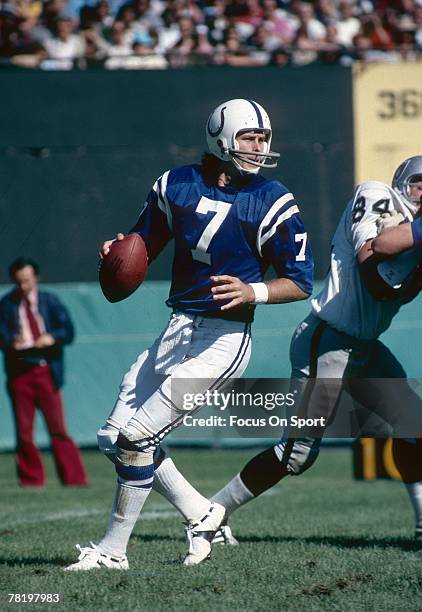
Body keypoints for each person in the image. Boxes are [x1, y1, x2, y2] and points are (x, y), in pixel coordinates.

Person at [64, 98, 313, 571]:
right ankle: (204, 515)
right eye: (249, 137)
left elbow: (300, 280)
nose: (259, 147)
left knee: (137, 439)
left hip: (223, 339)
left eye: (263, 138)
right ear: (221, 139)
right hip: (178, 327)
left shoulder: (273, 197)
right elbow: (143, 243)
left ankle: (113, 552)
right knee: (112, 436)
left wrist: (255, 290)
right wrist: (118, 250)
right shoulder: (176, 184)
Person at [206, 155, 422, 545]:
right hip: (328, 341)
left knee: (415, 427)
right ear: (402, 182)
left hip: (364, 346)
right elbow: (371, 258)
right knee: (297, 453)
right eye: (419, 182)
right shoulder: (377, 194)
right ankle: (210, 514)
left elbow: (400, 288)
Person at [0, 257, 88, 487]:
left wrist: (52, 337)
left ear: (35, 278)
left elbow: (67, 331)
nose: (23, 286)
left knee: (58, 428)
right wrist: (11, 342)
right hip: (20, 373)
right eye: (19, 282)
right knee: (24, 432)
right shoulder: (6, 304)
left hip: (45, 369)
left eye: (27, 281)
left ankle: (75, 480)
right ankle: (30, 480)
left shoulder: (50, 301)